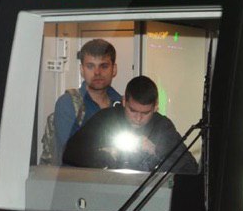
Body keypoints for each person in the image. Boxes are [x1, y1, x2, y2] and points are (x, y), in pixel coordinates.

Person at [62, 75, 199, 173]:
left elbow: (189, 168)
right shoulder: (107, 119)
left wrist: (155, 152)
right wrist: (107, 155)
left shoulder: (162, 127)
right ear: (124, 102)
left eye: (145, 113)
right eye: (132, 110)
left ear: (155, 107)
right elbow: (70, 153)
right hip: (109, 192)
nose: (138, 118)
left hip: (148, 196)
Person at [48, 39, 121, 164]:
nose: (97, 72)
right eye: (90, 66)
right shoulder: (68, 103)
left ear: (114, 69)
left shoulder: (121, 104)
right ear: (82, 70)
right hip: (76, 176)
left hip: (115, 176)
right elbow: (72, 154)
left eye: (104, 66)